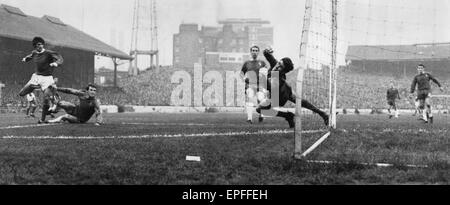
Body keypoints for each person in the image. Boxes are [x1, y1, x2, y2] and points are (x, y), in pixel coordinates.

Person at [255, 48, 329, 128]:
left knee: (261, 109)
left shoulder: (278, 79)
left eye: (280, 67)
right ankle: (289, 115)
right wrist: (267, 51)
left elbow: (269, 86)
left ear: (283, 71)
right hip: (284, 89)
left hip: (280, 95)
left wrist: (263, 76)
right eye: (279, 63)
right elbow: (267, 54)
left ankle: (288, 115)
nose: (277, 66)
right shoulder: (275, 64)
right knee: (300, 101)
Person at [19, 36, 63, 123]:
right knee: (21, 93)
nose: (39, 46)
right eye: (37, 45)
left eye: (40, 44)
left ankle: (42, 119)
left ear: (43, 44)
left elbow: (60, 58)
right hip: (36, 77)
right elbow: (30, 56)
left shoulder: (48, 53)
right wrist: (25, 59)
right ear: (35, 46)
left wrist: (56, 63)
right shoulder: (34, 52)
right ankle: (51, 94)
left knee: (46, 99)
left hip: (47, 79)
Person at [240, 45, 266, 124]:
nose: (254, 52)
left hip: (260, 85)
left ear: (258, 52)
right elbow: (241, 73)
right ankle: (249, 119)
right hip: (250, 85)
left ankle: (261, 115)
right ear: (251, 52)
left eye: (256, 50)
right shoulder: (247, 63)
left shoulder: (262, 63)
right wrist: (244, 79)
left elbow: (266, 73)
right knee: (250, 100)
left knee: (261, 100)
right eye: (253, 50)